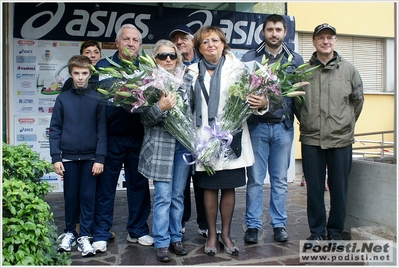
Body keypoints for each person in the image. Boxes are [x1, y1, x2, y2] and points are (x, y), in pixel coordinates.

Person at [183, 26, 267, 256]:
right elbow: (186, 108)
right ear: (199, 49)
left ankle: (227, 235)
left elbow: (256, 99)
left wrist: (263, 103)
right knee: (209, 188)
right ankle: (212, 234)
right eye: (205, 42)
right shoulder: (190, 73)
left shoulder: (241, 69)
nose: (211, 45)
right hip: (204, 139)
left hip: (231, 137)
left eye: (215, 40)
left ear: (223, 43)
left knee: (228, 187)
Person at [294, 23, 364, 243]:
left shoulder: (349, 70)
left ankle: (335, 232)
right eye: (321, 38)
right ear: (314, 42)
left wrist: (345, 124)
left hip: (341, 139)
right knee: (314, 190)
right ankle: (317, 233)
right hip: (312, 139)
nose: (325, 41)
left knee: (339, 189)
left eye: (330, 37)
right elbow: (296, 103)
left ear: (335, 41)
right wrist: (307, 121)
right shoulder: (302, 71)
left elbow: (357, 101)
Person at [241, 14, 304, 244]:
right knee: (256, 179)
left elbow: (300, 99)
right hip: (257, 127)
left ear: (285, 32)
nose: (274, 33)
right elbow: (242, 91)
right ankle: (253, 226)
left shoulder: (295, 60)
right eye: (270, 29)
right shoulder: (250, 58)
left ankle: (279, 225)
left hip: (283, 128)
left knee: (279, 180)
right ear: (263, 32)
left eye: (278, 29)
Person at [91, 24, 153, 253]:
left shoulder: (147, 66)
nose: (130, 43)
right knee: (105, 187)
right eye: (126, 39)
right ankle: (100, 232)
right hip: (110, 137)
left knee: (139, 187)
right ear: (116, 42)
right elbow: (93, 101)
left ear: (140, 44)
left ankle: (138, 230)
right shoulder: (104, 66)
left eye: (135, 40)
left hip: (139, 136)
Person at [138, 39, 191, 263]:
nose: (168, 59)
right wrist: (161, 107)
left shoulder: (187, 78)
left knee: (177, 195)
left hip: (181, 144)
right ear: (155, 59)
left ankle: (175, 237)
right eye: (162, 56)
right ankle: (161, 242)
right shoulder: (147, 81)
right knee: (162, 197)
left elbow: (193, 112)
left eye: (172, 55)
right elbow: (145, 119)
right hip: (159, 146)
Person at [50, 55, 107, 257]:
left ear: (90, 73)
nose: (80, 77)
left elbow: (102, 131)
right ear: (71, 74)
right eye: (76, 73)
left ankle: (84, 235)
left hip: (91, 159)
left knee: (87, 197)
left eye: (84, 73)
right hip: (69, 158)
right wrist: (56, 157)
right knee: (71, 196)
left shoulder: (98, 99)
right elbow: (55, 129)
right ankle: (69, 233)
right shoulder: (62, 99)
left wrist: (100, 158)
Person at [169, 24, 209, 237]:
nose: (179, 42)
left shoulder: (203, 64)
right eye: (175, 40)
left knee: (202, 179)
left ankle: (204, 224)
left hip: (202, 133)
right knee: (181, 183)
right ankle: (181, 221)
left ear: (193, 41)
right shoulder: (172, 67)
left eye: (183, 37)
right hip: (180, 134)